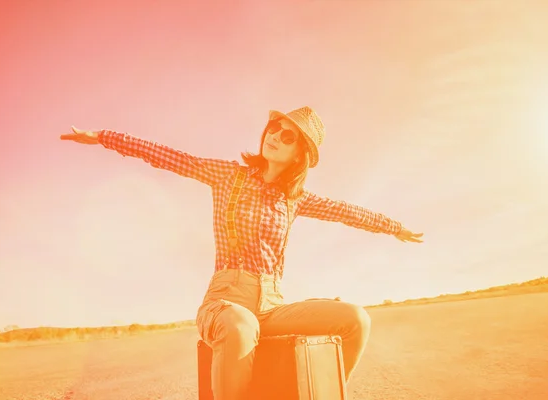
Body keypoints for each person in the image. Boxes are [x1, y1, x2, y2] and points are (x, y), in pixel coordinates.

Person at [60, 106, 423, 400]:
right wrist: (105, 138)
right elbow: (168, 157)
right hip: (225, 302)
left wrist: (394, 227)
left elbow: (347, 212)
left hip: (272, 306)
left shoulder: (294, 199)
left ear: (301, 153)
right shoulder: (228, 176)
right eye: (273, 129)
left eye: (288, 135)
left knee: (355, 319)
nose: (275, 137)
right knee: (240, 324)